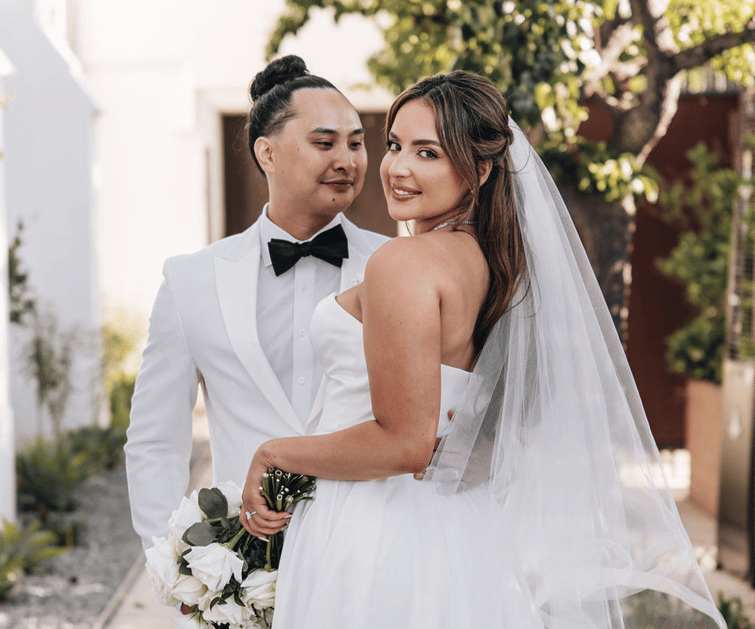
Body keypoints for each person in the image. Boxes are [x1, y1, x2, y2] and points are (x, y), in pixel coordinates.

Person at [241, 71, 726, 629]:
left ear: (482, 169)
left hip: (377, 529)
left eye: (428, 153)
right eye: (395, 145)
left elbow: (405, 443)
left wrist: (274, 454)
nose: (398, 168)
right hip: (461, 527)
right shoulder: (498, 265)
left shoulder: (404, 264)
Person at [124, 54, 389, 562]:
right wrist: (174, 562)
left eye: (356, 143)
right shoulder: (190, 280)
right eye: (324, 142)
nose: (348, 160)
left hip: (372, 559)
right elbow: (156, 441)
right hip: (244, 563)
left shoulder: (396, 267)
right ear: (267, 153)